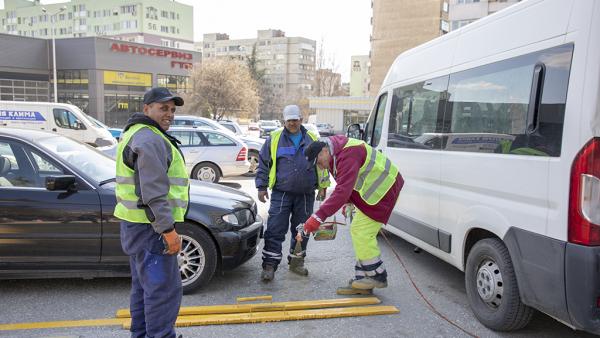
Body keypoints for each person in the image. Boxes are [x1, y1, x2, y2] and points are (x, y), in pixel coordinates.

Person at [114, 87, 188, 338]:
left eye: (172, 110)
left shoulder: (135, 133)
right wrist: (168, 231)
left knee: (144, 289)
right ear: (146, 109)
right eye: (163, 108)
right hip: (152, 230)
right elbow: (153, 192)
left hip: (136, 226)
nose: (169, 114)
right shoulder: (150, 138)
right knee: (162, 291)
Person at [303, 135, 404, 295]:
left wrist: (317, 217)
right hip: (376, 191)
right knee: (358, 231)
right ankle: (364, 278)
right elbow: (348, 182)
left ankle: (376, 276)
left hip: (384, 190)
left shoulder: (348, 153)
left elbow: (342, 190)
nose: (320, 167)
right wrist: (349, 201)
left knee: (361, 231)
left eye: (318, 162)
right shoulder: (334, 154)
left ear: (323, 151)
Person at [255, 105, 329, 282]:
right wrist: (261, 187)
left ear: (301, 120)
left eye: (295, 120)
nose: (293, 123)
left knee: (302, 229)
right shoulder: (274, 139)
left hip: (305, 194)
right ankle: (269, 265)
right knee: (274, 229)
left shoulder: (312, 138)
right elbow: (264, 163)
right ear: (284, 121)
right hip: (282, 193)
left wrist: (324, 186)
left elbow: (322, 164)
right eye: (289, 121)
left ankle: (296, 263)